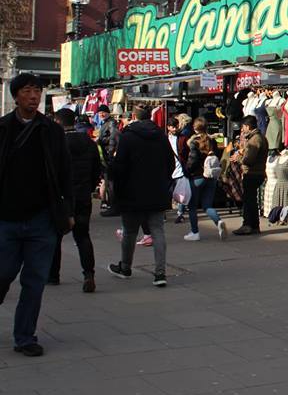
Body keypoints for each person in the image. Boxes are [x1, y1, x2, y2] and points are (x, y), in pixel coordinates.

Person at [0, 73, 74, 357]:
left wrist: (68, 211)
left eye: (38, 91)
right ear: (16, 95)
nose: (34, 96)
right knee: (3, 273)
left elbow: (65, 172)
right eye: (28, 91)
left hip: (42, 220)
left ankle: (25, 336)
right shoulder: (3, 128)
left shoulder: (52, 131)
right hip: (6, 218)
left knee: (34, 280)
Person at [107, 105, 174, 287]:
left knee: (129, 231)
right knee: (157, 231)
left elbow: (119, 167)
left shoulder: (127, 137)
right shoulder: (160, 136)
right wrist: (163, 181)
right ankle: (160, 273)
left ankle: (125, 267)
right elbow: (171, 162)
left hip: (132, 192)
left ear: (134, 117)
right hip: (156, 191)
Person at [50, 109, 102, 292]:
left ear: (58, 122)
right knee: (82, 236)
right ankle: (89, 274)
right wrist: (89, 186)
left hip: (61, 197)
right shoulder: (88, 142)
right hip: (82, 195)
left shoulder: (56, 143)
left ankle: (53, 275)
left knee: (55, 237)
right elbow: (98, 167)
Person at [184, 117, 226, 241]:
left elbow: (193, 160)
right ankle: (218, 222)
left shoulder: (194, 142)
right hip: (211, 176)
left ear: (195, 128)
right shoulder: (213, 140)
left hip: (197, 176)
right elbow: (222, 150)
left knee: (192, 206)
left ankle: (195, 232)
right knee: (207, 204)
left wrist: (187, 171)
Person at [232, 115, 267, 236]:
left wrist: (239, 158)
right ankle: (254, 225)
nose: (242, 129)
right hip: (256, 172)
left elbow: (249, 159)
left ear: (247, 126)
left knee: (248, 200)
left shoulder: (255, 139)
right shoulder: (257, 137)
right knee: (251, 199)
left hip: (253, 173)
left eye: (243, 127)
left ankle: (247, 225)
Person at [167, 118, 188, 225]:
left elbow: (186, 151)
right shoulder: (164, 138)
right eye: (172, 127)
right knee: (168, 192)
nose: (175, 129)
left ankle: (180, 214)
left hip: (180, 168)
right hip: (168, 169)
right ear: (168, 127)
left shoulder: (182, 138)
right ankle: (164, 213)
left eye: (176, 126)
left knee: (181, 193)